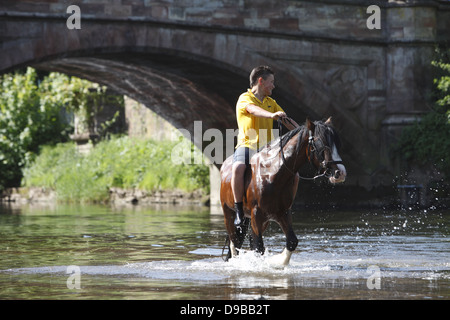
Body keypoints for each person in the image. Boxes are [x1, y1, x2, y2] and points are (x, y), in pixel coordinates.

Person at [231, 66, 299, 227]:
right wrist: (271, 115)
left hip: (268, 150)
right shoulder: (245, 98)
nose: (274, 86)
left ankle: (286, 208)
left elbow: (286, 120)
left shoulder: (271, 103)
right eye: (271, 82)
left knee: (294, 175)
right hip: (247, 145)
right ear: (261, 81)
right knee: (238, 168)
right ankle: (239, 211)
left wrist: (305, 132)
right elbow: (252, 110)